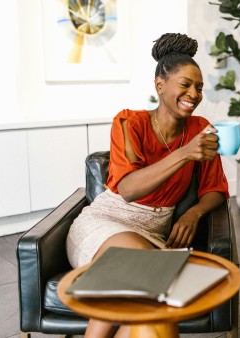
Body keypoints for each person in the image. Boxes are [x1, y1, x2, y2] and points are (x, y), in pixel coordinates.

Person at [65, 33, 229, 338]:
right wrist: (184, 154)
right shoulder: (129, 123)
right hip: (106, 222)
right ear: (160, 85)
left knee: (146, 314)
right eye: (185, 84)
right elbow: (127, 189)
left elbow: (216, 189)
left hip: (154, 232)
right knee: (139, 269)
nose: (194, 93)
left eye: (199, 87)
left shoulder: (199, 129)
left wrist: (193, 214)